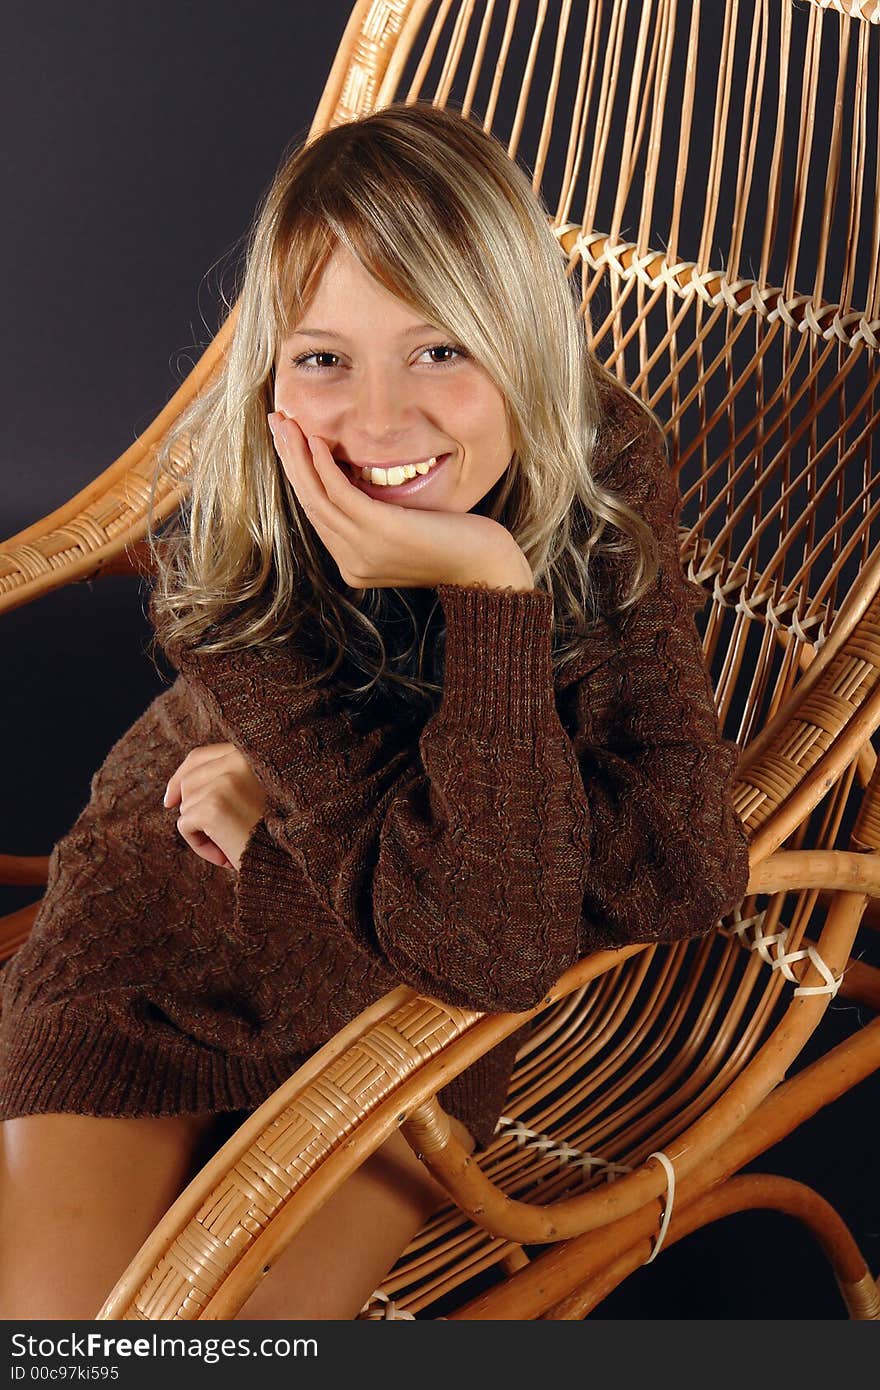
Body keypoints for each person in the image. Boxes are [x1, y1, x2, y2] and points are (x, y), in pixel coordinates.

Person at [0, 101, 751, 1321]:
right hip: (168, 925)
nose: (380, 419)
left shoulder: (602, 460)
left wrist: (489, 589)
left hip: (393, 1005)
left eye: (441, 349)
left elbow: (660, 877)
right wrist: (447, 839)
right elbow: (510, 910)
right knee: (54, 1339)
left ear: (523, 345)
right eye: (323, 357)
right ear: (273, 373)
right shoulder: (243, 550)